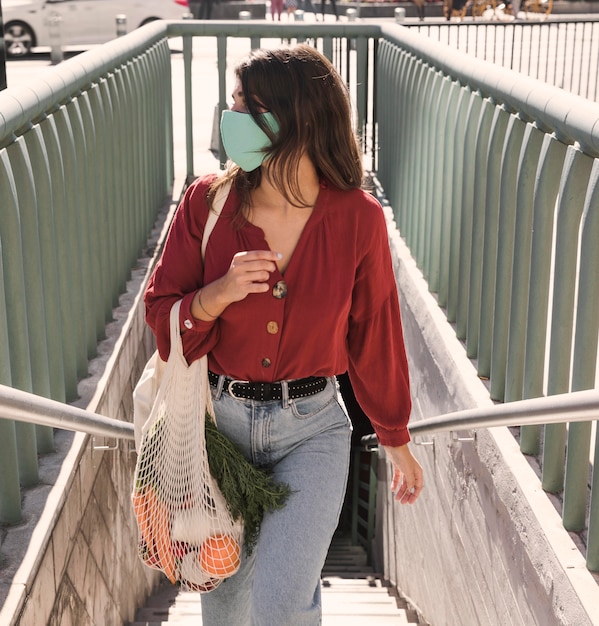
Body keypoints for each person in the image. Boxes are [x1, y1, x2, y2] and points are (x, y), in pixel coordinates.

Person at [144, 43, 424, 626]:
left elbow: (374, 330)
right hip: (220, 429)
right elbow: (162, 316)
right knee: (224, 605)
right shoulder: (207, 204)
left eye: (248, 106)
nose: (231, 119)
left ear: (295, 118)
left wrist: (393, 432)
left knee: (281, 604)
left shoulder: (359, 219)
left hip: (314, 432)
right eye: (233, 103)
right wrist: (216, 295)